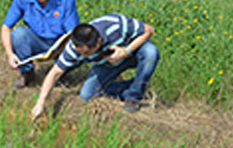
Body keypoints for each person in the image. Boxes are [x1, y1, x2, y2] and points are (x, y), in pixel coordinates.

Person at [31, 13, 159, 119]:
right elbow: (55, 73)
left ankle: (133, 97)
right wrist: (40, 104)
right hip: (107, 64)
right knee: (87, 95)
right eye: (80, 52)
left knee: (151, 53)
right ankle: (134, 85)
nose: (82, 55)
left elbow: (149, 30)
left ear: (98, 43)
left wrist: (126, 51)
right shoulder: (74, 48)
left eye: (86, 53)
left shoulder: (115, 24)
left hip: (133, 53)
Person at [1, 0, 80, 90]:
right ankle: (27, 74)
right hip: (37, 41)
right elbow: (6, 27)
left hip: (60, 44)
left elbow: (73, 32)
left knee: (81, 43)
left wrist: (61, 50)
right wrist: (9, 54)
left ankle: (61, 73)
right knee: (18, 34)